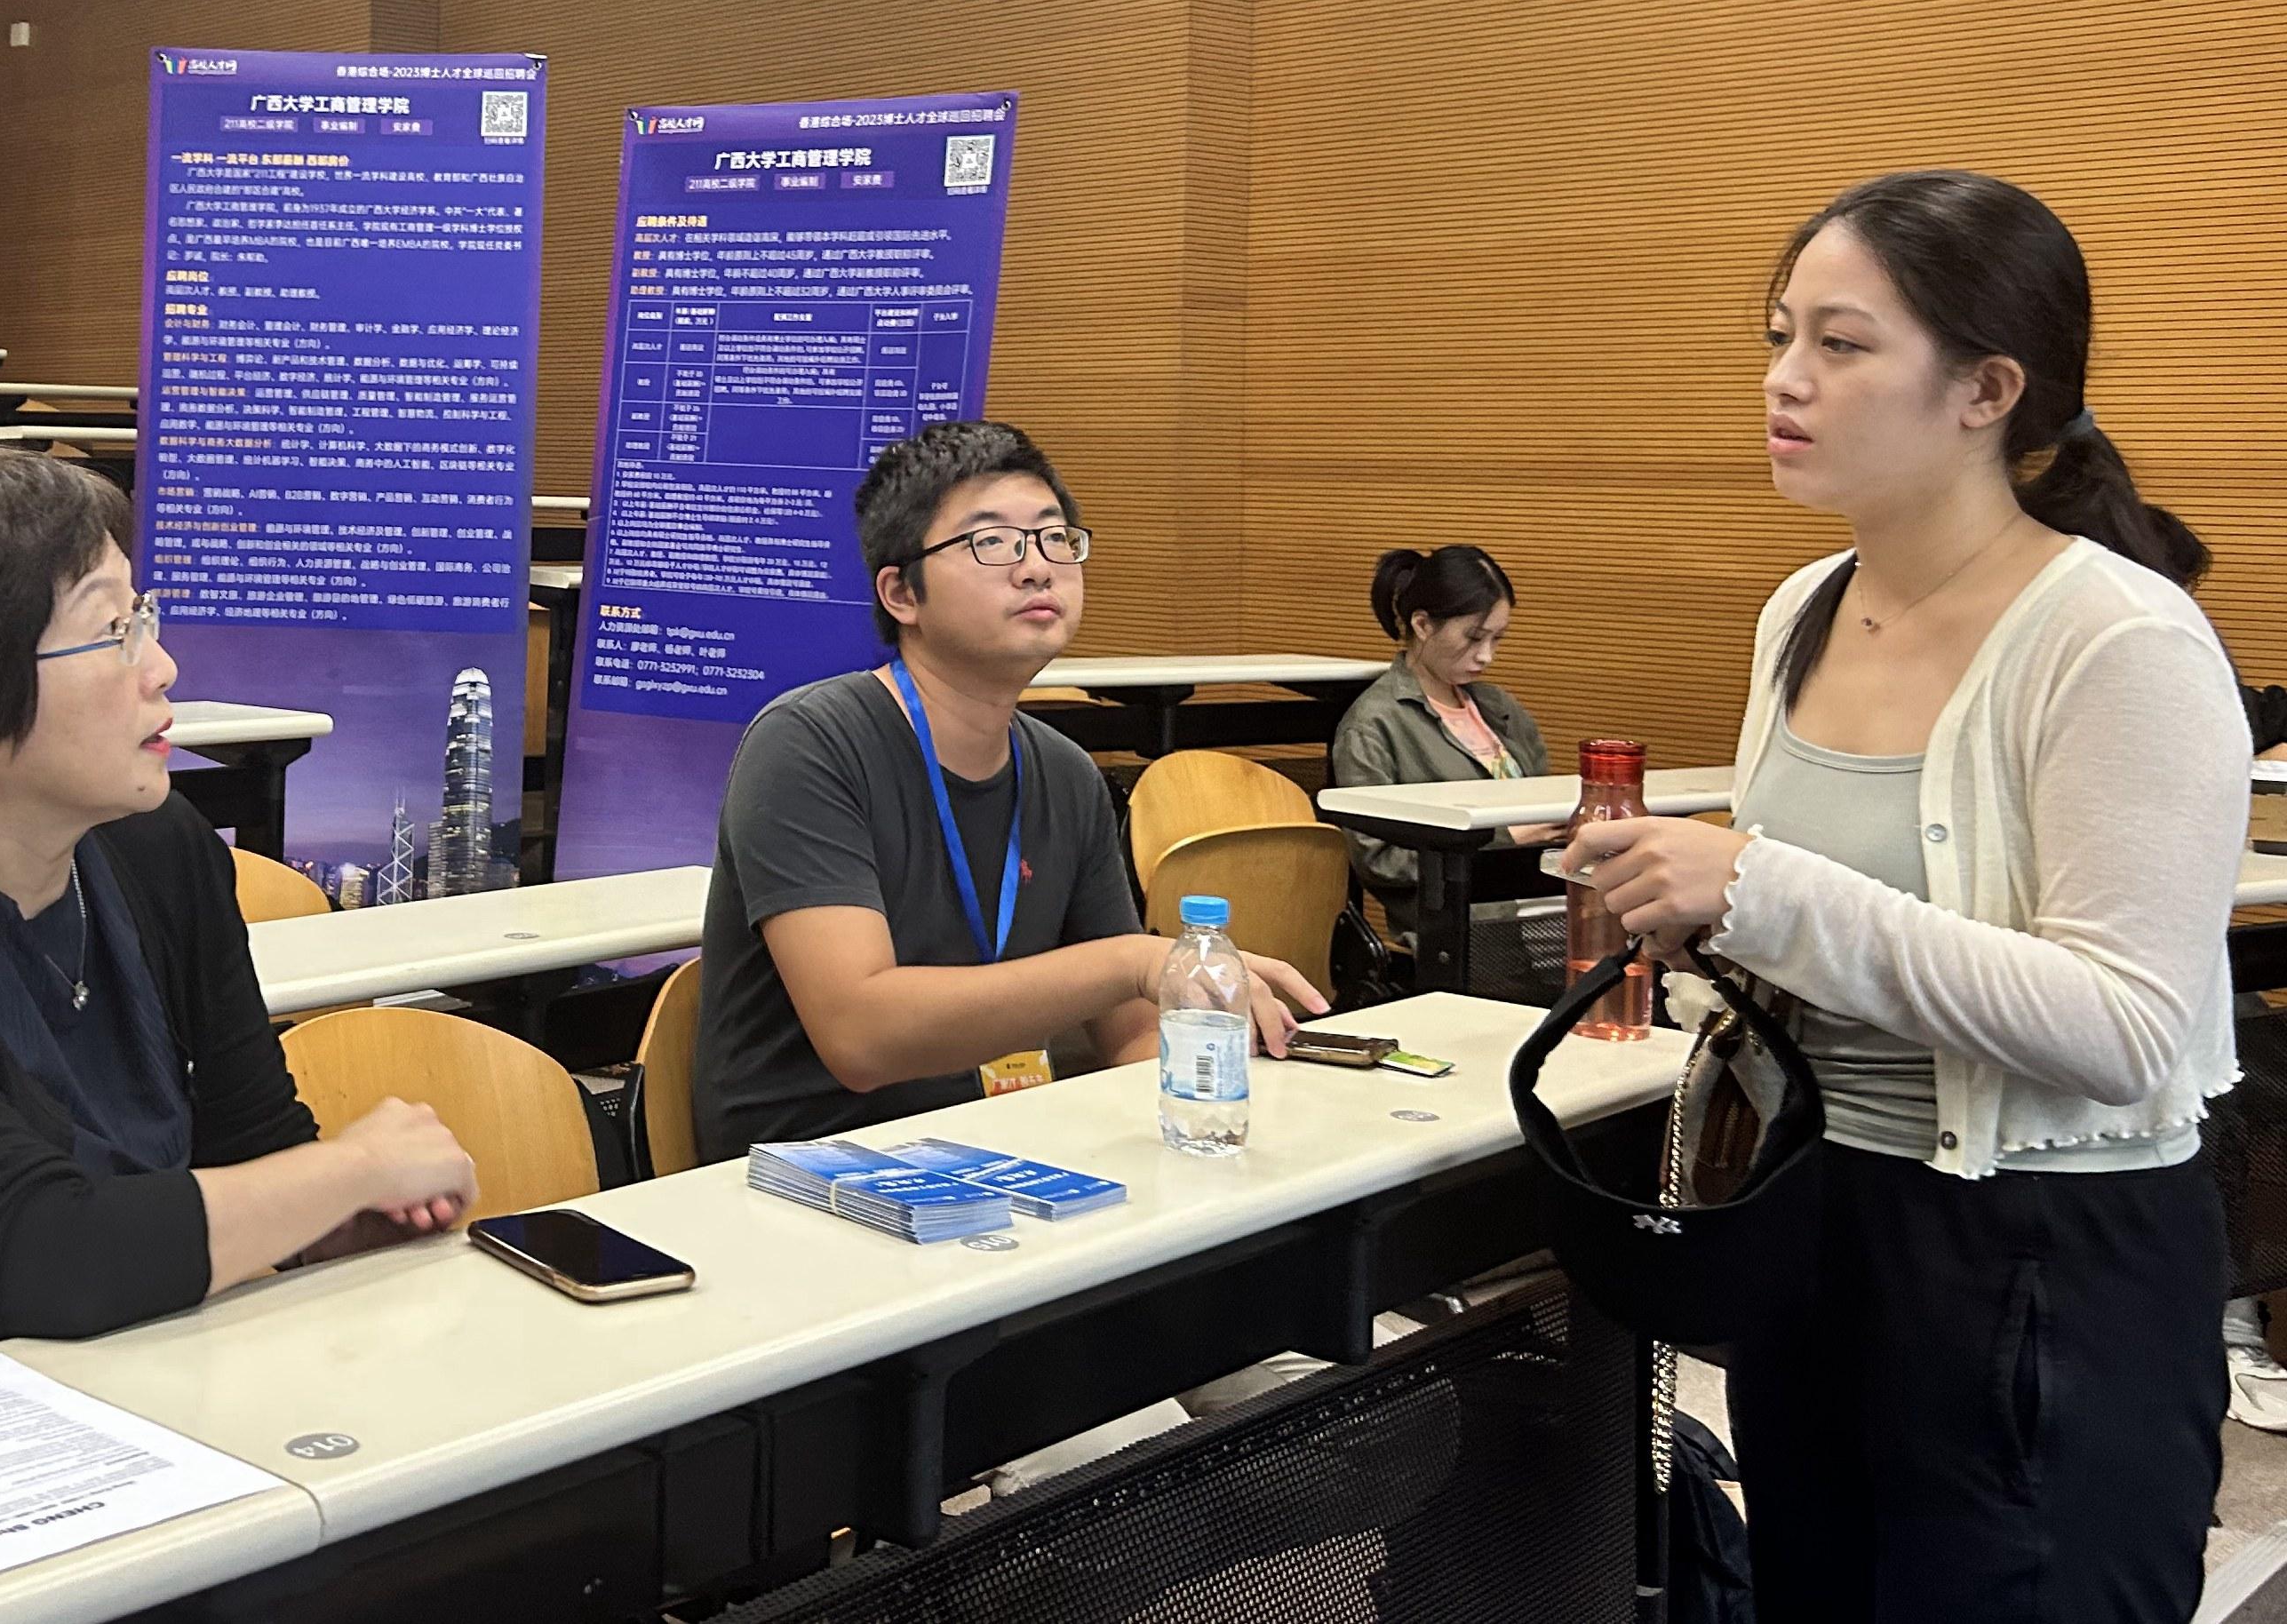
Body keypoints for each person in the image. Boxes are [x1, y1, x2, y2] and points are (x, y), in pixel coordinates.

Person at [1573, 170, 2245, 1622]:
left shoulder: (2116, 638)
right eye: (1778, 336)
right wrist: (1689, 913)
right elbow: (1822, 938)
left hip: (2041, 1258)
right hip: (1817, 1225)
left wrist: (1759, 887)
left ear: (1986, 390)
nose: (1784, 379)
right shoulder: (1800, 610)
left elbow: (2123, 1025)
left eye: (1842, 343)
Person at [0, 449, 478, 1370]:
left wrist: (338, 1220)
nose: (161, 665)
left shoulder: (162, 851)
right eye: (112, 631)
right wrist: (351, 1169)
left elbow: (253, 1142)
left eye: (143, 616)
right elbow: (34, 1253)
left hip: (143, 1378)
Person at [690, 420, 1326, 1165]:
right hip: (811, 1169)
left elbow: (1129, 1031)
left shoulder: (1065, 772)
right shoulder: (809, 742)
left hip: (1004, 1147)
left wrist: (1217, 1079)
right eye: (992, 542)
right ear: (901, 593)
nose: (1037, 568)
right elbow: (860, 1036)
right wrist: (1133, 961)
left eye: (1056, 538)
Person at [1326, 545, 1560, 940]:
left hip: (1541, 899)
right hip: (1465, 927)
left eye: (1497, 639)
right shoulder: (1373, 725)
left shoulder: (1500, 708)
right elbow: (1378, 860)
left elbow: (1544, 805)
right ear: (1422, 625)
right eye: (1474, 637)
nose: (1486, 656)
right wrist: (1506, 839)